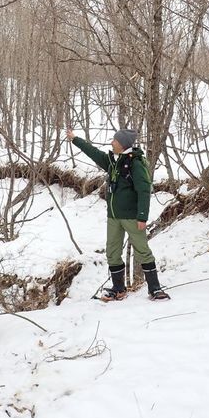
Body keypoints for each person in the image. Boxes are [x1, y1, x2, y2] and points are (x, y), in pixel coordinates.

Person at [66, 128, 170, 301]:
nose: (112, 143)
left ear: (122, 144)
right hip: (113, 217)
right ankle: (118, 289)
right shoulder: (113, 161)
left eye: (114, 140)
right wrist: (75, 139)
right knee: (112, 252)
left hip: (132, 217)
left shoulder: (135, 163)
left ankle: (155, 289)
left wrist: (142, 216)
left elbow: (144, 190)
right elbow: (93, 153)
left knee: (143, 251)